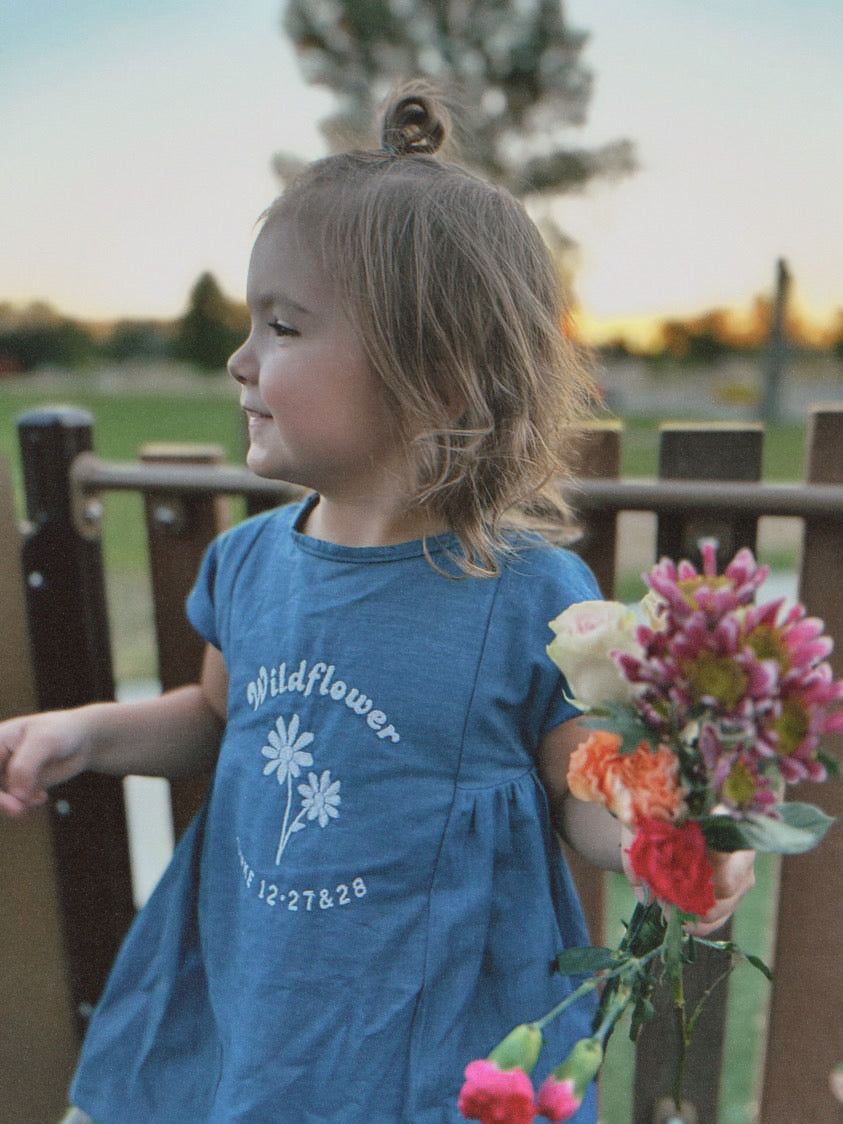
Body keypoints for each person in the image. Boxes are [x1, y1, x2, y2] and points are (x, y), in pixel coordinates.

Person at [0, 83, 753, 1124]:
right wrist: (88, 730)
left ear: (437, 375)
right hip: (257, 998)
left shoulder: (525, 589)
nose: (241, 359)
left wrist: (653, 832)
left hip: (429, 1034)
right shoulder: (249, 561)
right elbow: (222, 717)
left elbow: (581, 785)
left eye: (285, 326)